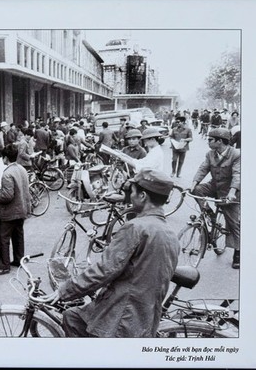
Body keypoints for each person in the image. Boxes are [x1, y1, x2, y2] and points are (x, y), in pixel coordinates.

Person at [41, 168, 179, 337]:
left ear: (142, 196)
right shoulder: (171, 234)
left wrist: (65, 290)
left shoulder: (136, 228)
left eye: (132, 192)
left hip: (122, 315)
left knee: (74, 321)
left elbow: (105, 270)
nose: (129, 197)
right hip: (145, 315)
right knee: (72, 317)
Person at [190, 128, 240, 269]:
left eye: (210, 140)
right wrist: (193, 184)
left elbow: (237, 175)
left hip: (230, 191)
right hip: (214, 186)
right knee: (197, 190)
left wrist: (231, 193)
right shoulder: (210, 154)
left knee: (234, 223)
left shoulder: (236, 154)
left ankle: (238, 252)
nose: (208, 142)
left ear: (219, 141)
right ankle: (209, 212)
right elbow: (203, 169)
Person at [0, 143, 31, 276]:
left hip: (9, 212)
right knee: (18, 235)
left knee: (3, 239)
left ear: (5, 158)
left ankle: (3, 266)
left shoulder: (7, 173)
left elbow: (7, 196)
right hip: (22, 209)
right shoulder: (21, 169)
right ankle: (19, 259)